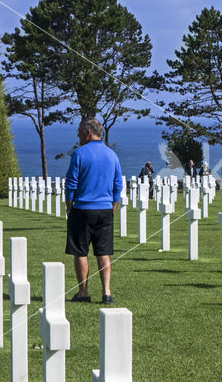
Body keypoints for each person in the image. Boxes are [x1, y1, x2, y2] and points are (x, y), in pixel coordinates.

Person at [65, 118, 122, 305]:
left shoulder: (79, 153)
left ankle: (83, 292)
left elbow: (71, 183)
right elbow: (117, 184)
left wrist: (69, 206)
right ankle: (106, 292)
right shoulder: (112, 155)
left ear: (88, 133)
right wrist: (113, 206)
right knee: (103, 252)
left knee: (81, 252)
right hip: (105, 209)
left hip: (83, 208)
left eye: (80, 131)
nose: (77, 134)